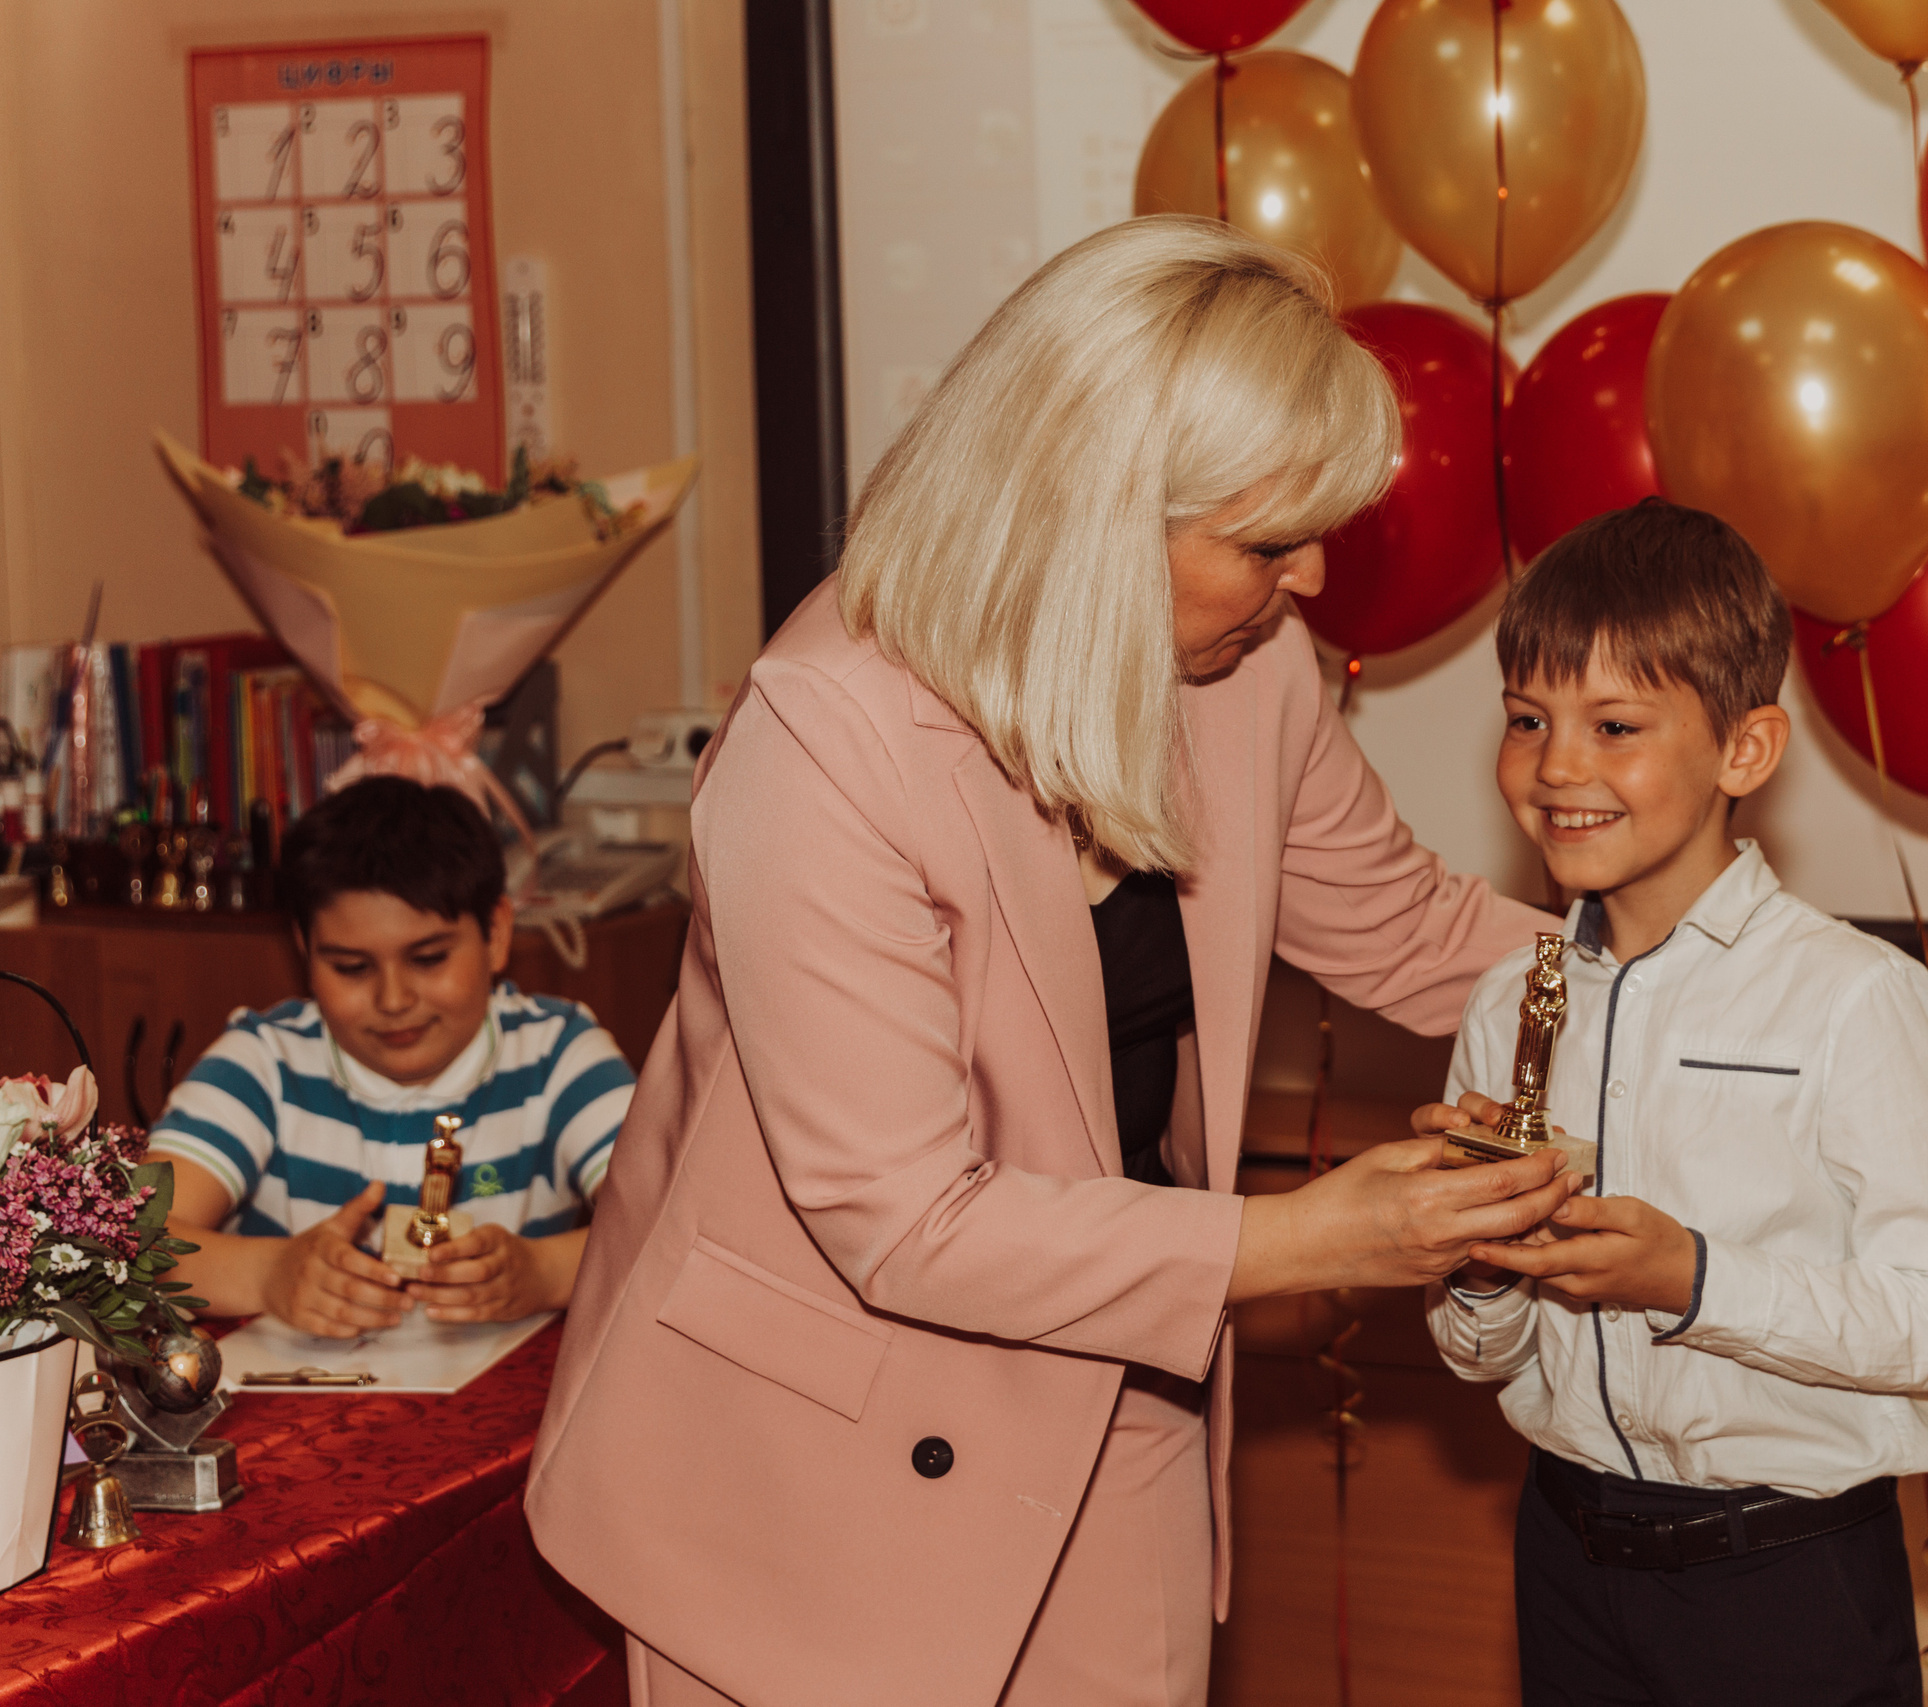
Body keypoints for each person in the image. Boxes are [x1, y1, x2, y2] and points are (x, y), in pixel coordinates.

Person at [527, 216, 1577, 1707]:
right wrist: (1310, 1239)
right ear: (1098, 512)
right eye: (1269, 541)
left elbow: (1411, 930)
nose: (1318, 576)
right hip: (806, 1464)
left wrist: (1735, 979)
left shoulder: (1247, 672)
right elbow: (903, 1218)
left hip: (1120, 1397)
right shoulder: (827, 732)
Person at [1420, 501, 1928, 1707]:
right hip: (1566, 1560)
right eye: (1527, 719)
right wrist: (1477, 1264)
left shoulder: (1854, 999)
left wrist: (1693, 1279)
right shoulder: (1511, 1005)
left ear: (1743, 752)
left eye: (1615, 725)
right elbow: (1477, 1352)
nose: (1557, 766)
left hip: (1782, 1581)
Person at [147, 775, 635, 1336]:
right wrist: (270, 1274)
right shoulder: (261, 1063)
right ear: (304, 949)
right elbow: (136, 1240)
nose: (394, 1000)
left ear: (497, 933)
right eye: (351, 968)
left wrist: (541, 1274)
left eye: (428, 959)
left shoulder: (559, 1054)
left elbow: (668, 1223)